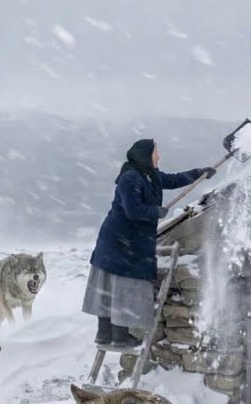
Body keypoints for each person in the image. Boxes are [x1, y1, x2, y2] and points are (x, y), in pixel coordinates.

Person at [82, 138, 214, 348]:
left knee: (114, 286)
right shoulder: (130, 178)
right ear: (145, 155)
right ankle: (117, 336)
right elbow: (132, 210)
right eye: (155, 153)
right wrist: (155, 211)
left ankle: (106, 335)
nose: (158, 157)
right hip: (120, 240)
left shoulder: (150, 175)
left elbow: (174, 179)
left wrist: (199, 173)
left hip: (128, 240)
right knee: (120, 286)